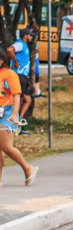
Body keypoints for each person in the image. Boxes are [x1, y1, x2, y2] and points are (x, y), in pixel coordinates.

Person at [0, 48, 37, 186]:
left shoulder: (9, 74)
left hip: (7, 112)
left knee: (6, 146)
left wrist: (15, 114)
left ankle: (27, 168)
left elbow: (17, 95)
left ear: (2, 60)